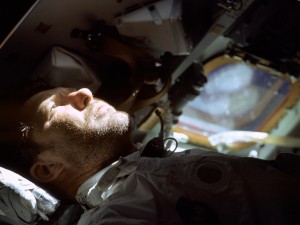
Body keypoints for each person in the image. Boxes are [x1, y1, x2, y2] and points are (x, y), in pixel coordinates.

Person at [19, 87, 300, 225]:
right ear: (47, 169)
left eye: (70, 90)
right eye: (55, 108)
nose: (84, 92)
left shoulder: (147, 173)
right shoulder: (115, 216)